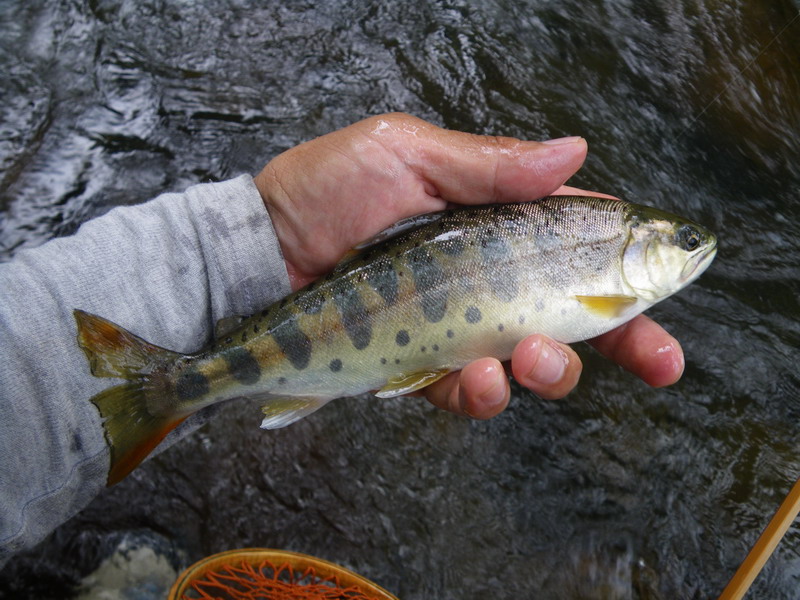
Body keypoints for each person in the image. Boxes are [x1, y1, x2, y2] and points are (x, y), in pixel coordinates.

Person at [0, 113, 684, 564]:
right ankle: (170, 386)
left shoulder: (609, 267)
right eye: (683, 243)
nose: (692, 250)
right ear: (641, 244)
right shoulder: (608, 271)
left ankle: (173, 384)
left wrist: (249, 240)